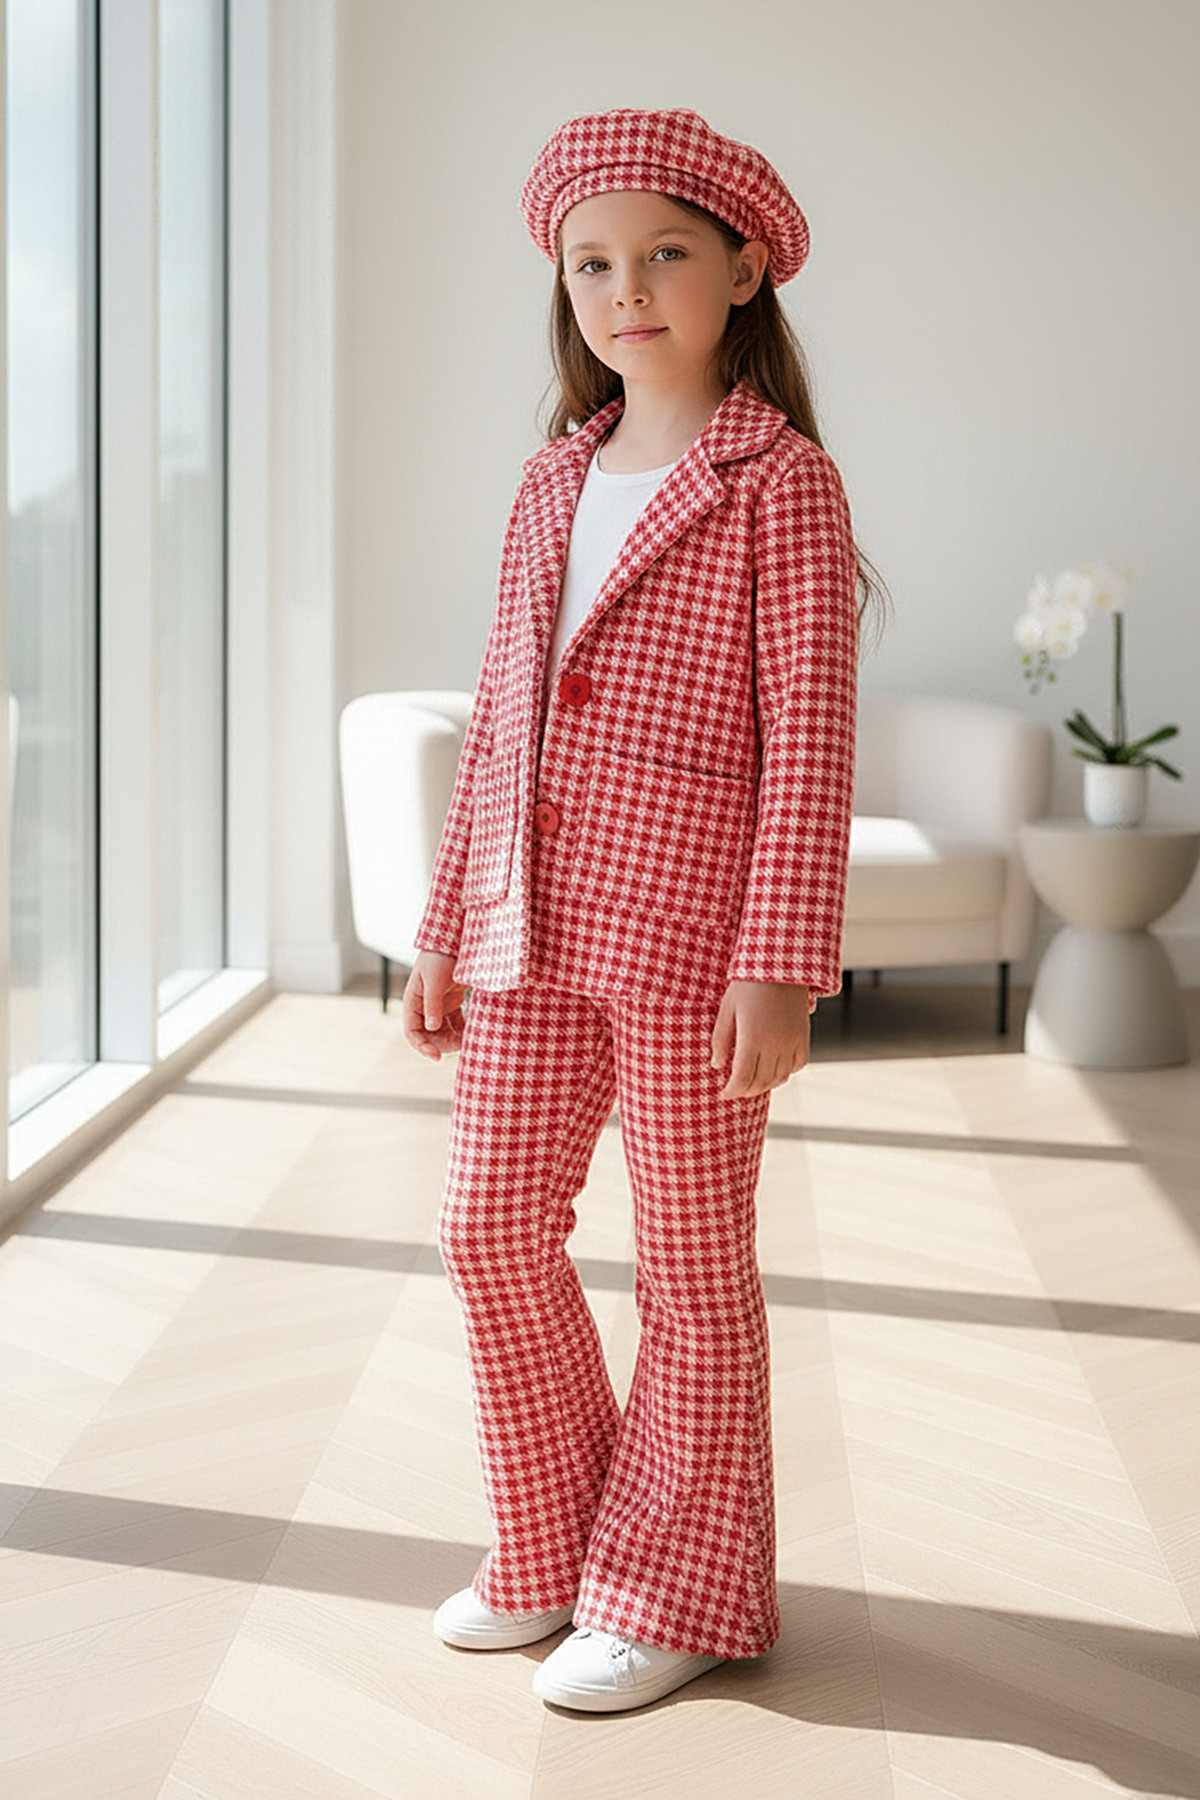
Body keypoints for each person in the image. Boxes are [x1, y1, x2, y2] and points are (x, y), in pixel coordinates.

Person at [402, 107, 874, 1713]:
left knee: (687, 1264)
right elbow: (502, 712)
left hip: (694, 946)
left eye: (664, 253)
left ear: (742, 269)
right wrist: (449, 920)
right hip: (530, 933)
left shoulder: (779, 484)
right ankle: (552, 1543)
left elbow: (810, 735)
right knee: (485, 1230)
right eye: (592, 262)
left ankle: (677, 1585)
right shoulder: (552, 479)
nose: (627, 289)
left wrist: (781, 964)